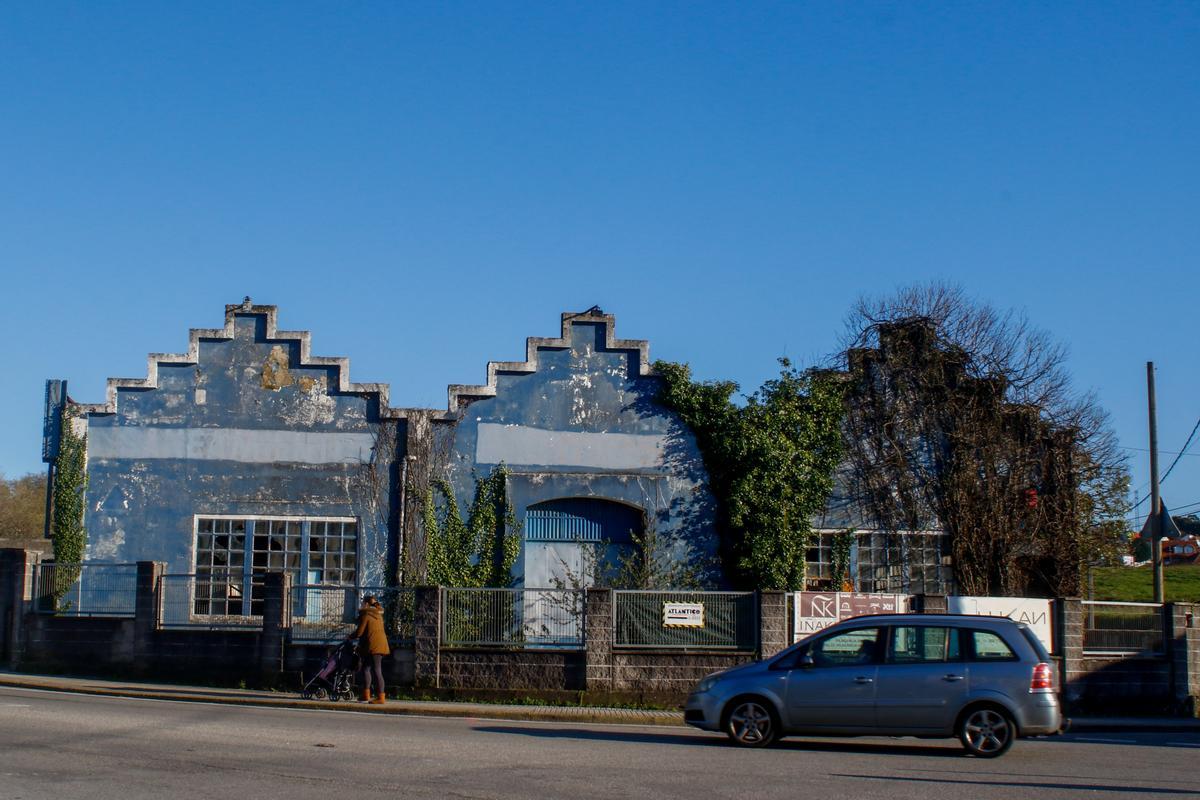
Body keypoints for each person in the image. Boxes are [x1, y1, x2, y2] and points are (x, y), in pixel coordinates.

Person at [350, 594, 390, 704]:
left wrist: (349, 636)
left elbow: (360, 632)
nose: (361, 604)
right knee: (366, 668)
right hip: (377, 645)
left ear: (366, 604)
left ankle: (381, 697)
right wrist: (375, 602)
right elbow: (379, 608)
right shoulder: (378, 614)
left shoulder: (366, 614)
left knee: (376, 670)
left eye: (363, 602)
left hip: (373, 646)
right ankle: (366, 695)